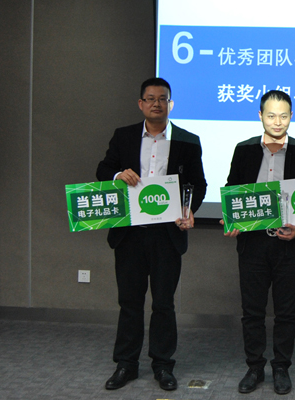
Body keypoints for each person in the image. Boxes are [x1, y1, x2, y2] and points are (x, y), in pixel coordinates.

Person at [96, 77, 207, 391]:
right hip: (129, 234)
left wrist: (189, 208)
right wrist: (118, 174)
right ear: (141, 103)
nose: (156, 104)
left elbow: (198, 183)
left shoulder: (188, 140)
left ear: (170, 104)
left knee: (163, 304)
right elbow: (103, 170)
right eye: (150, 98)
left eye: (162, 99)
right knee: (129, 302)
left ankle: (163, 365)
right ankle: (126, 364)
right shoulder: (124, 136)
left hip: (166, 235)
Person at [222, 90, 295, 395]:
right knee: (252, 310)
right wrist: (231, 218)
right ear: (260, 116)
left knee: (286, 311)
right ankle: (254, 367)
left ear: (291, 117)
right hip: (252, 244)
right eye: (271, 115)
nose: (277, 122)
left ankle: (281, 367)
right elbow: (232, 189)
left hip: (289, 245)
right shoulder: (244, 150)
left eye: (283, 116)